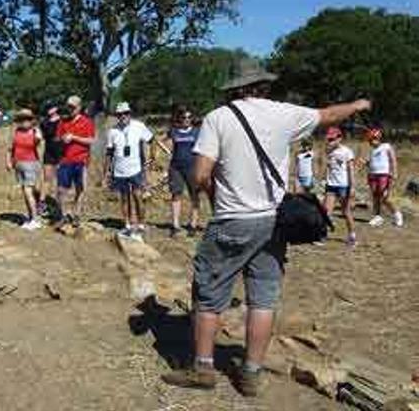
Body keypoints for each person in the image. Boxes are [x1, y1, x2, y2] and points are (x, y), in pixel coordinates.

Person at [161, 59, 371, 396]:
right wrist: (358, 105)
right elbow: (329, 114)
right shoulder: (284, 114)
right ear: (263, 85)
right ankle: (251, 374)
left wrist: (217, 195)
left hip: (232, 218)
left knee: (209, 295)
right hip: (273, 221)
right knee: (262, 298)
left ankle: (203, 368)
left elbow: (200, 175)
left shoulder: (218, 118)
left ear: (233, 88)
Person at [104, 102, 155, 241]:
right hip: (119, 170)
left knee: (138, 196)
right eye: (120, 114)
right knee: (124, 199)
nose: (123, 116)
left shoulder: (139, 126)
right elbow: (109, 152)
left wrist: (151, 158)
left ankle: (141, 224)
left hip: (136, 169)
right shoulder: (112, 131)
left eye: (125, 113)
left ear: (129, 113)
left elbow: (151, 140)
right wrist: (107, 171)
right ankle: (127, 224)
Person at [161, 105, 200, 237]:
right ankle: (175, 225)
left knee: (194, 195)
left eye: (189, 117)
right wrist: (165, 151)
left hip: (192, 167)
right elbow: (161, 141)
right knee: (176, 194)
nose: (187, 119)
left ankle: (193, 224)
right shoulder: (174, 131)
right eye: (184, 117)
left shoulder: (197, 132)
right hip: (175, 167)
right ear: (180, 118)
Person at [55, 95, 95, 223]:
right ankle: (64, 214)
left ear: (79, 107)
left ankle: (76, 214)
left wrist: (74, 138)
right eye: (68, 106)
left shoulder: (87, 122)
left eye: (73, 107)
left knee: (80, 188)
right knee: (61, 189)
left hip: (81, 160)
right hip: (65, 160)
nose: (70, 109)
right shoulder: (63, 121)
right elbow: (58, 138)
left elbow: (91, 140)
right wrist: (62, 139)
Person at [6, 109, 44, 231]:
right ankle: (31, 217)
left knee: (28, 191)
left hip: (31, 164)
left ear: (31, 121)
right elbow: (10, 148)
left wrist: (36, 130)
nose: (24, 122)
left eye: (26, 119)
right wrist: (8, 161)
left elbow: (38, 142)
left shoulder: (35, 132)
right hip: (18, 164)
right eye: (21, 119)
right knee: (25, 191)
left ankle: (35, 219)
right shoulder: (16, 132)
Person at [323, 126, 357, 247]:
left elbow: (351, 170)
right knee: (326, 212)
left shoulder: (347, 152)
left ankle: (352, 235)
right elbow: (328, 167)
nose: (330, 141)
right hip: (331, 185)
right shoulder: (328, 151)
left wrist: (352, 187)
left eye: (333, 139)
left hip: (343, 186)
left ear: (340, 138)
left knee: (346, 211)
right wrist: (324, 180)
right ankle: (323, 234)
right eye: (329, 139)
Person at [365, 127, 404, 228]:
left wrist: (394, 172)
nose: (371, 142)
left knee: (385, 196)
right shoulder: (373, 151)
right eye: (369, 140)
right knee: (375, 196)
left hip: (384, 175)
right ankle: (377, 216)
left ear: (378, 138)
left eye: (373, 139)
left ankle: (397, 214)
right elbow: (372, 163)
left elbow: (392, 159)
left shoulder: (386, 146)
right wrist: (366, 163)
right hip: (372, 175)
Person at [39, 104, 63, 213]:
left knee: (61, 179)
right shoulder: (44, 122)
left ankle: (58, 204)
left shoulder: (63, 121)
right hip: (48, 152)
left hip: (61, 153)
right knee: (47, 178)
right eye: (47, 108)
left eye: (51, 107)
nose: (49, 110)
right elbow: (43, 136)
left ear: (56, 108)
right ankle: (42, 203)